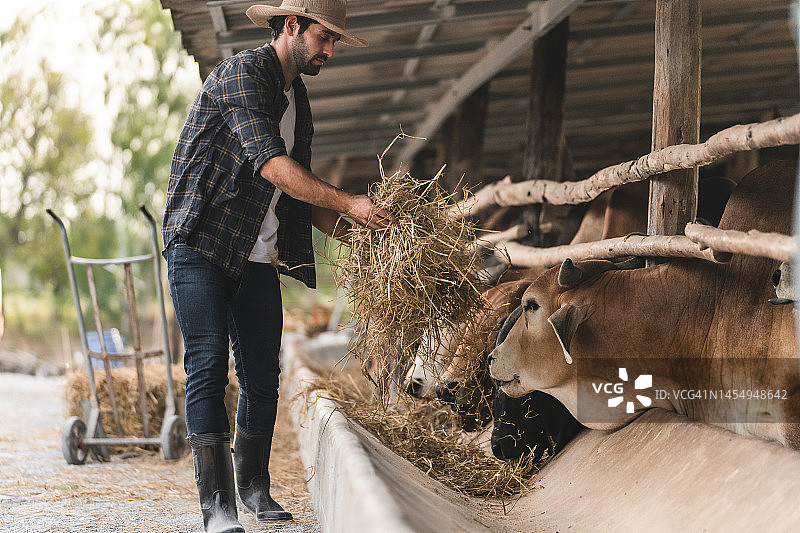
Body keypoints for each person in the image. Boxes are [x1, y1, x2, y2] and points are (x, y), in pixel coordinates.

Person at [161, 2, 394, 532]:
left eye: (335, 41)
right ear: (291, 26)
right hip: (201, 244)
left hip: (257, 253)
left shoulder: (298, 100)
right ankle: (217, 509)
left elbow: (299, 195)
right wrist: (349, 201)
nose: (330, 51)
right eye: (324, 38)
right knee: (207, 366)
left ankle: (254, 489)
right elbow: (273, 166)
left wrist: (368, 236)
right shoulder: (243, 75)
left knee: (264, 378)